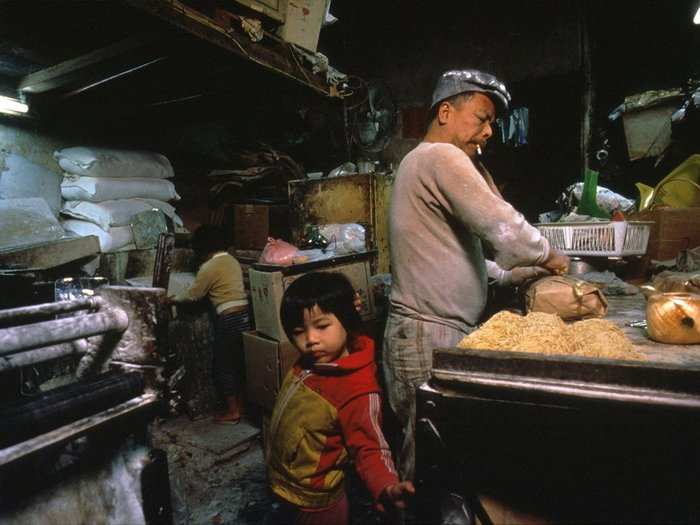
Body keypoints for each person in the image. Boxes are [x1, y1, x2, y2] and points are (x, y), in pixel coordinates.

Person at [383, 69, 570, 480]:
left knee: (435, 458)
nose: (488, 132)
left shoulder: (422, 163)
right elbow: (501, 225)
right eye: (481, 118)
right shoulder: (439, 157)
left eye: (492, 124)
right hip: (426, 335)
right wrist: (552, 256)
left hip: (430, 332)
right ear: (446, 112)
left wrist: (509, 276)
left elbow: (455, 256)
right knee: (429, 469)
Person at [266, 271, 414, 525]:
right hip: (284, 485)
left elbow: (370, 448)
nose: (311, 340)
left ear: (346, 320)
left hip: (318, 504)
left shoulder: (357, 389)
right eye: (299, 331)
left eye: (322, 326)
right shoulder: (310, 363)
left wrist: (386, 486)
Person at [170, 224, 250, 424]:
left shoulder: (209, 267)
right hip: (245, 316)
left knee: (224, 365)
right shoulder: (231, 261)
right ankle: (241, 406)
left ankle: (233, 412)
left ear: (202, 248)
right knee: (239, 363)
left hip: (228, 318)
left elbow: (194, 295)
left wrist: (171, 299)